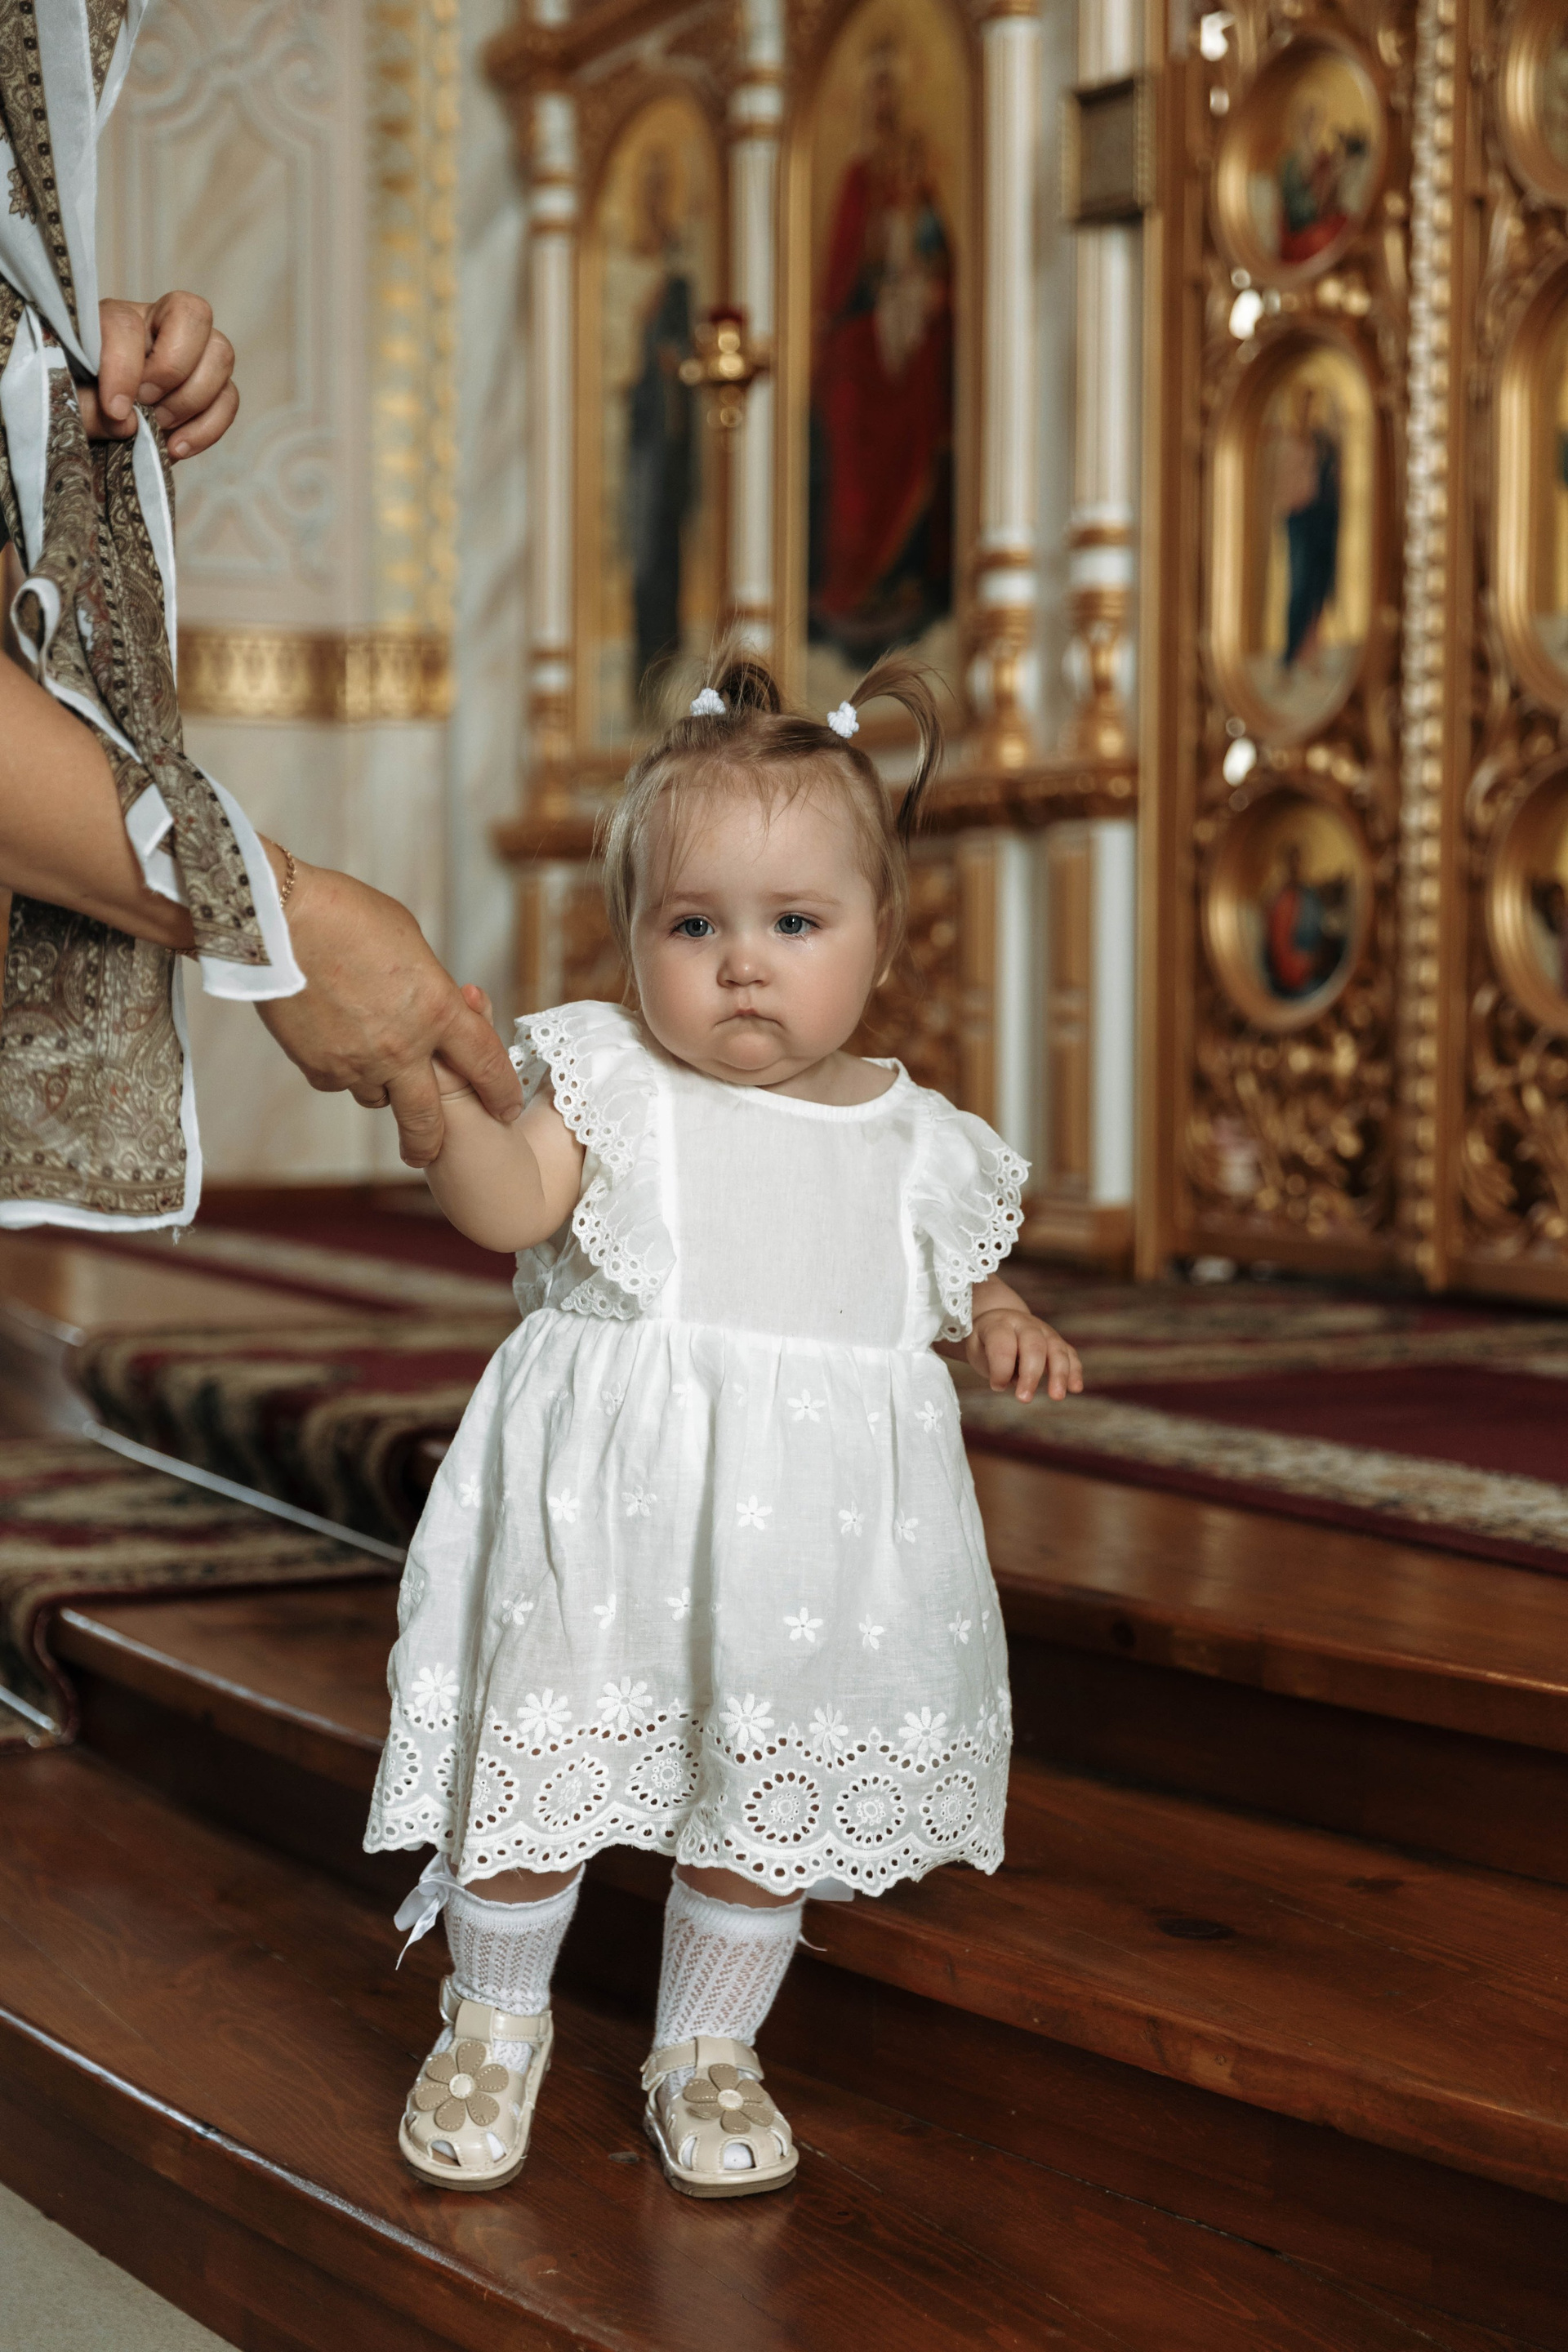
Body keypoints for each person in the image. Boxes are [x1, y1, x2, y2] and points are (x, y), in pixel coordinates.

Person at [364, 651, 1082, 2198]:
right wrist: (446, 1116)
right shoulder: (613, 1082)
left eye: (794, 925)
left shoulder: (922, 1141)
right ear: (633, 936)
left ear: (882, 937)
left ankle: (706, 2043)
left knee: (767, 1792)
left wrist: (1002, 1318)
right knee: (544, 1763)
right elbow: (513, 1206)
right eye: (694, 926)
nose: (743, 965)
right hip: (606, 1526)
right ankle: (494, 2017)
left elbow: (961, 1275)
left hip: (811, 1553)